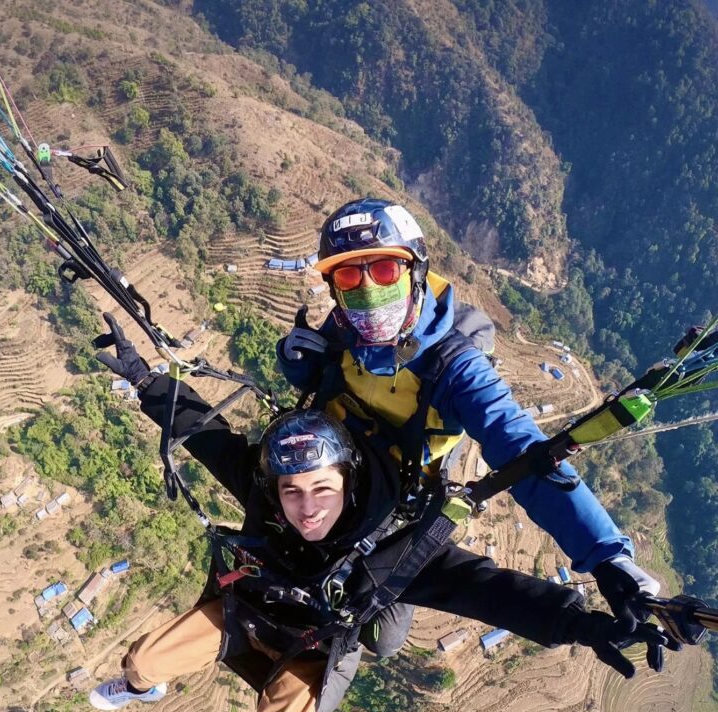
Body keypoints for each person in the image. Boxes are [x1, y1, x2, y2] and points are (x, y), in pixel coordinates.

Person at [87, 316, 675, 712]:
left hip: (313, 646)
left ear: (347, 481)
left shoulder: (395, 549)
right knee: (143, 661)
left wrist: (583, 625)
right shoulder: (268, 498)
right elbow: (207, 436)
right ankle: (144, 688)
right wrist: (146, 380)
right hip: (249, 609)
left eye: (321, 489)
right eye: (292, 492)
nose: (306, 509)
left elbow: (488, 592)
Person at [277, 198, 662, 658]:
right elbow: (324, 378)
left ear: (414, 272)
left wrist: (607, 556)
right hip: (328, 470)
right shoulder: (343, 326)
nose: (368, 289)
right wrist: (299, 364)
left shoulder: (455, 367)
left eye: (384, 270)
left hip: (392, 503)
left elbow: (523, 450)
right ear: (334, 287)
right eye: (348, 276)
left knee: (382, 638)